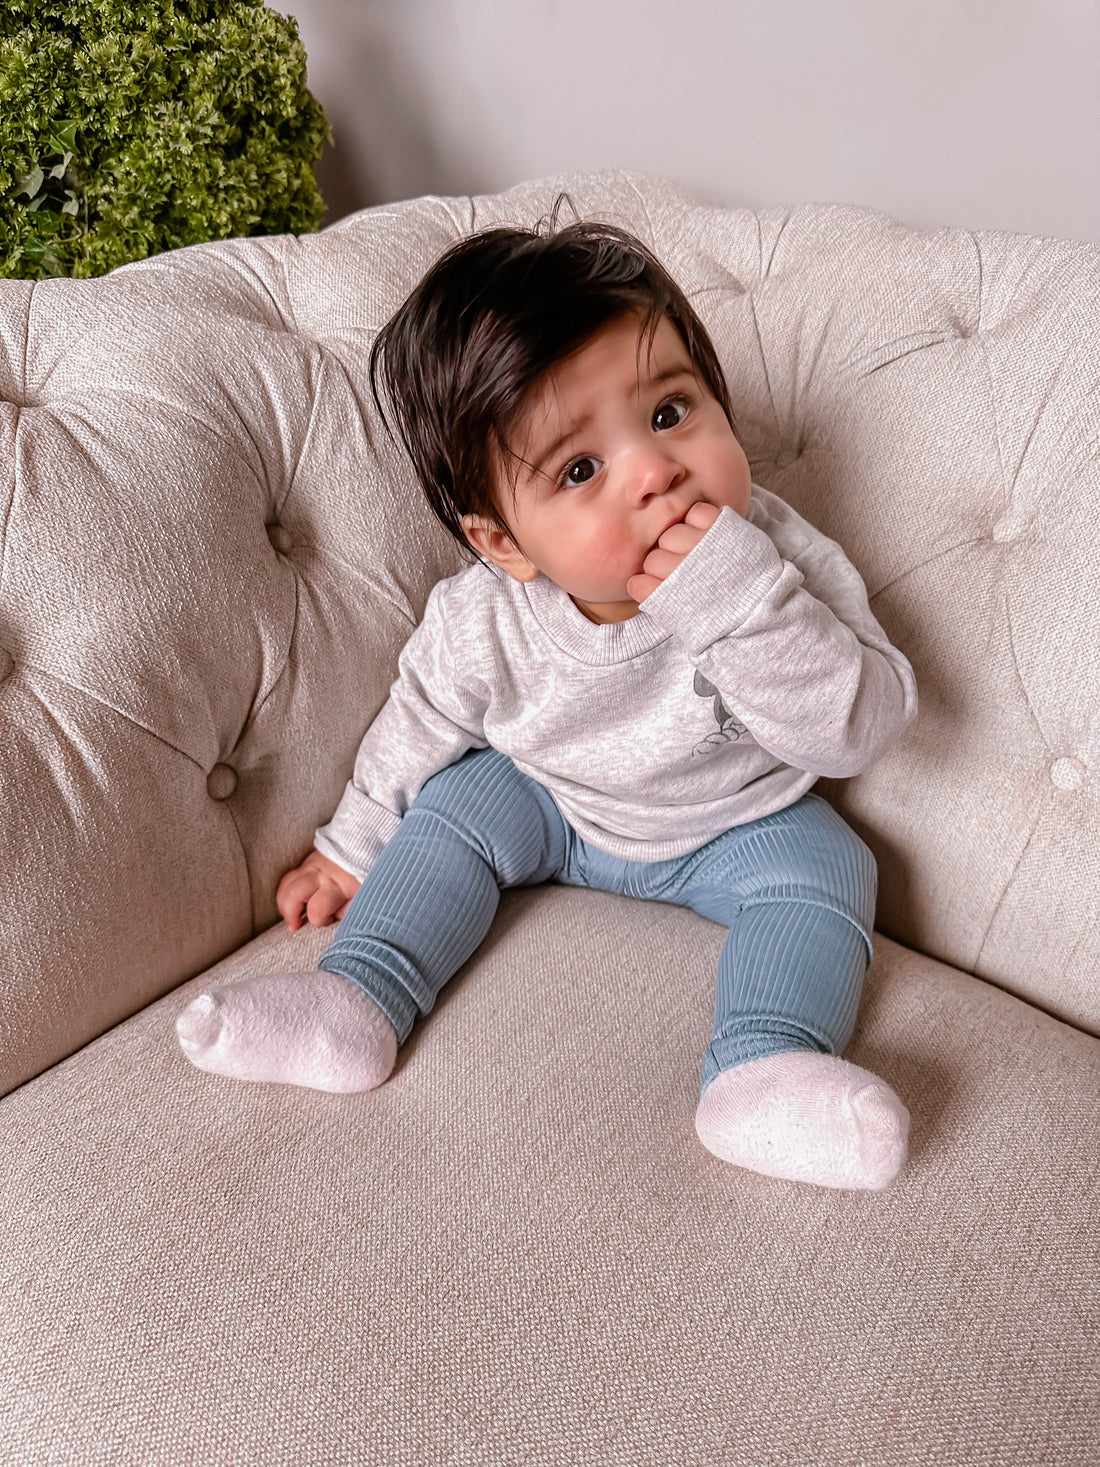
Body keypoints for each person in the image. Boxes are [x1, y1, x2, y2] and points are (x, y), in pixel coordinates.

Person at [176, 217, 918, 1191]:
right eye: (579, 470)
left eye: (670, 412)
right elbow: (418, 723)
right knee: (456, 803)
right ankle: (355, 1002)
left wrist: (737, 603)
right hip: (553, 801)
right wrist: (349, 844)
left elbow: (858, 728)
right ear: (504, 545)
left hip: (739, 819)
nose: (654, 472)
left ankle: (762, 1067)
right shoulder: (485, 618)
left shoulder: (775, 560)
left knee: (831, 866)